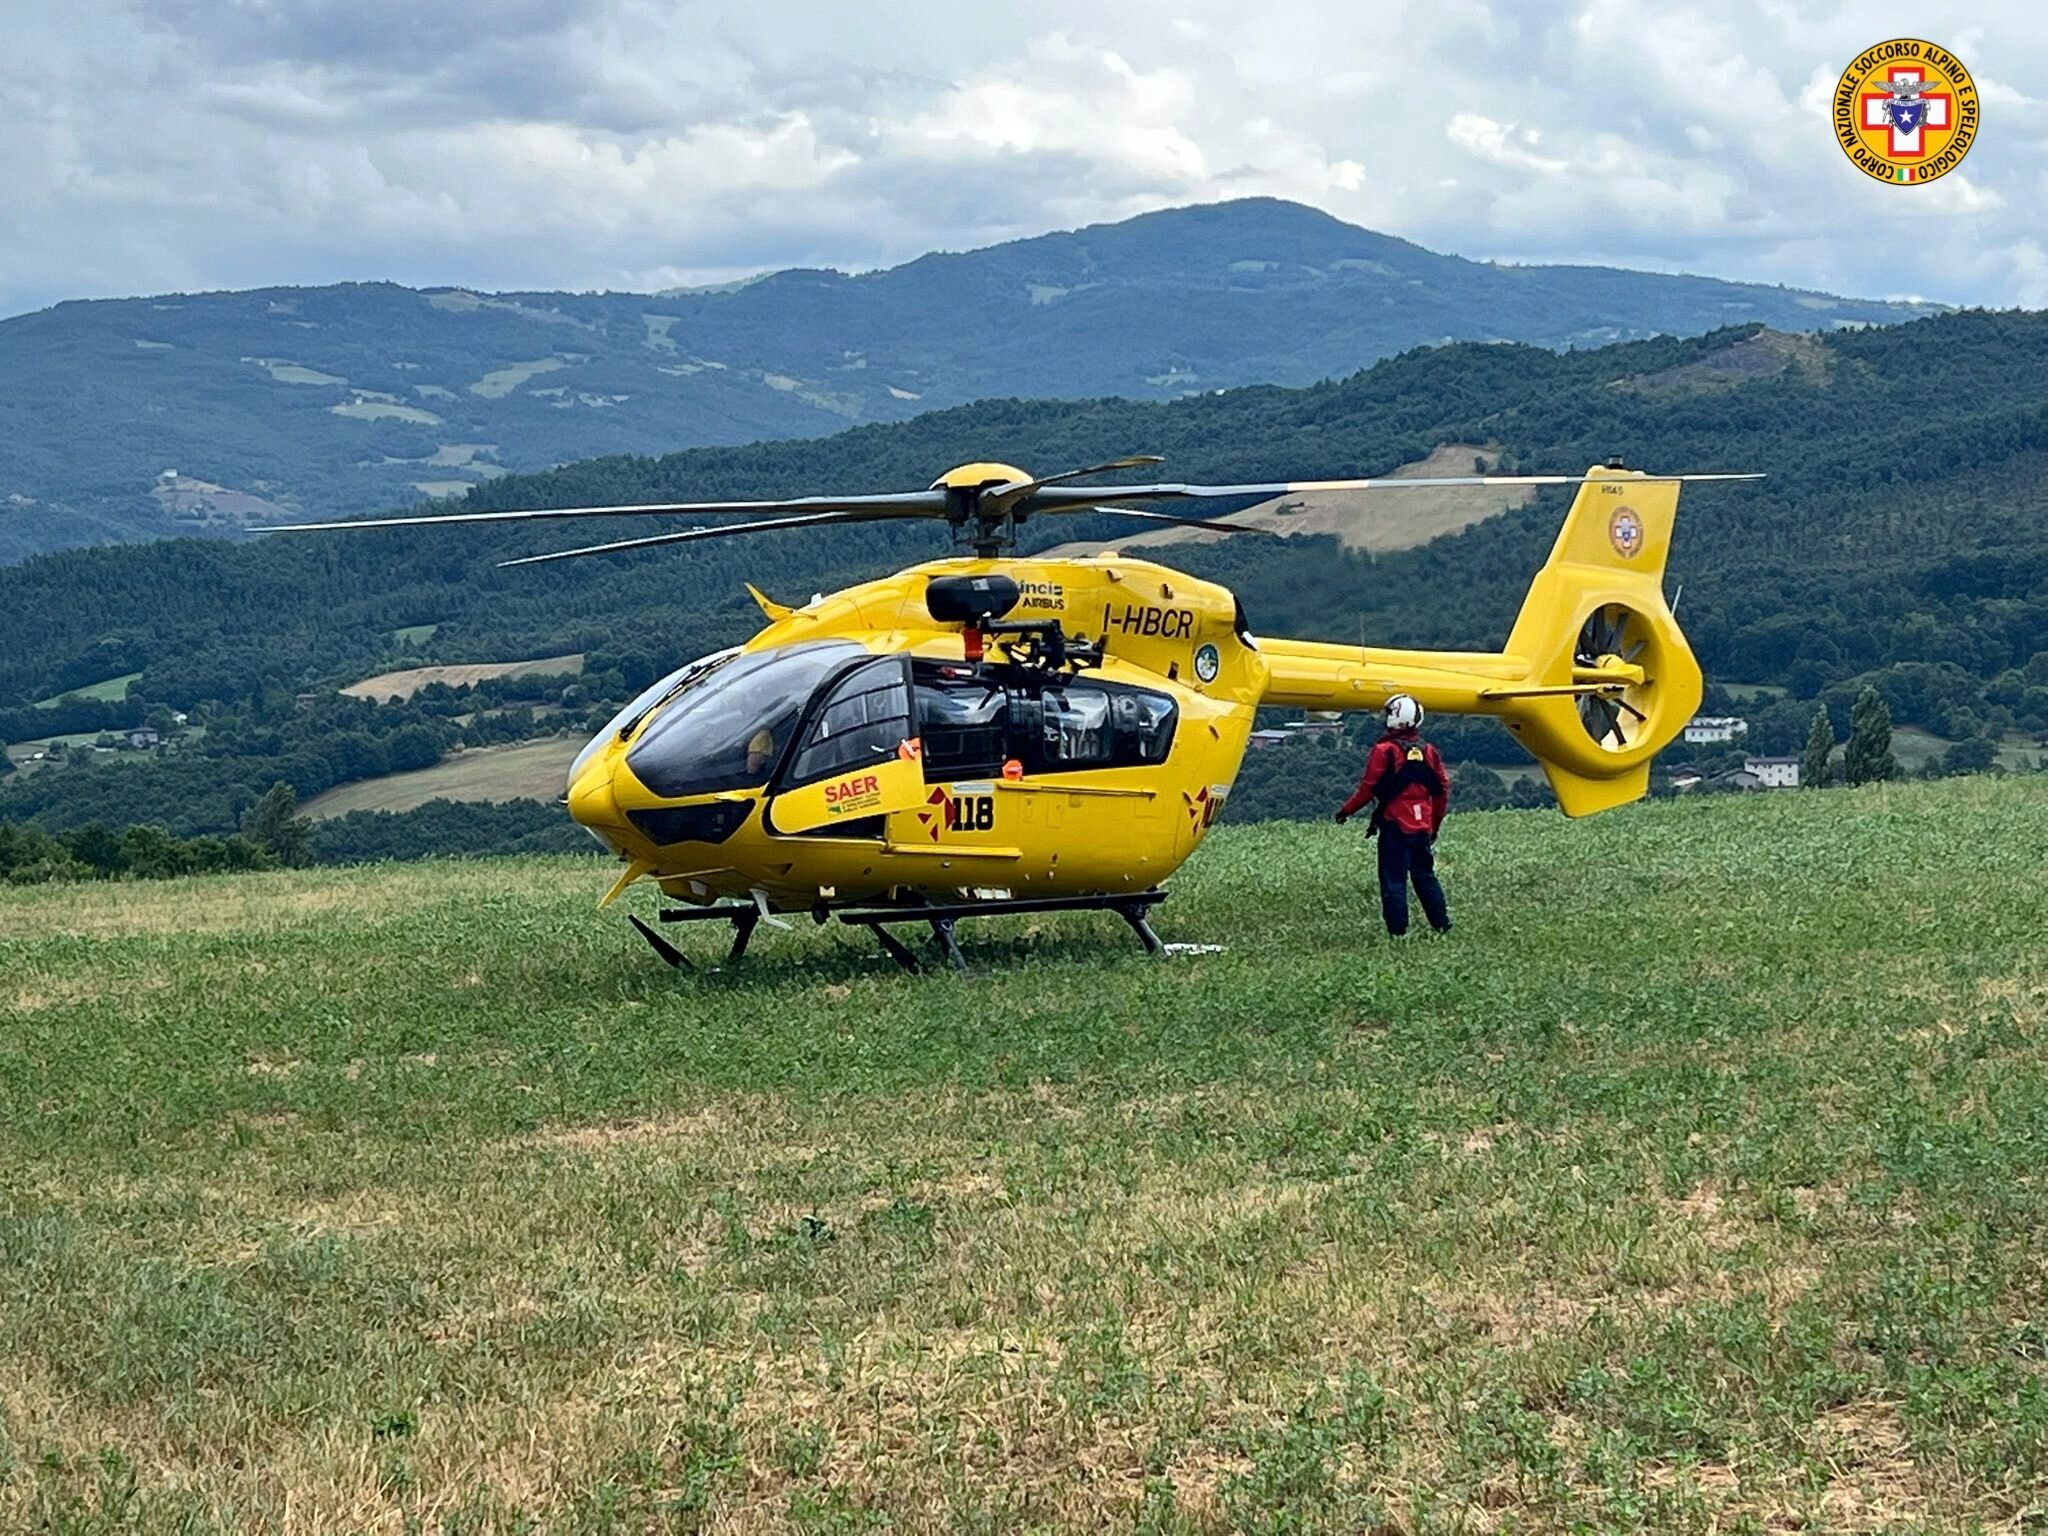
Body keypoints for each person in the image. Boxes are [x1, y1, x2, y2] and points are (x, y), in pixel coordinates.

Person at [1334, 694, 1452, 936]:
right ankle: (1442, 926)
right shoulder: (1429, 751)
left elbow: (1368, 788)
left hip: (1395, 825)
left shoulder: (1384, 750)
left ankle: (1398, 933)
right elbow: (1441, 791)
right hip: (1422, 825)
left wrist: (1346, 810)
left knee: (1393, 881)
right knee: (1425, 877)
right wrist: (1434, 826)